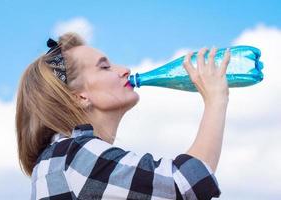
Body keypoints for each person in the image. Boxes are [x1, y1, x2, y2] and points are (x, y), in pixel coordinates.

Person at [15, 32, 230, 200]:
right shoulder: (76, 156)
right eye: (105, 67)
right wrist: (216, 99)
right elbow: (184, 184)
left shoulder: (57, 159)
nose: (125, 69)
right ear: (80, 96)